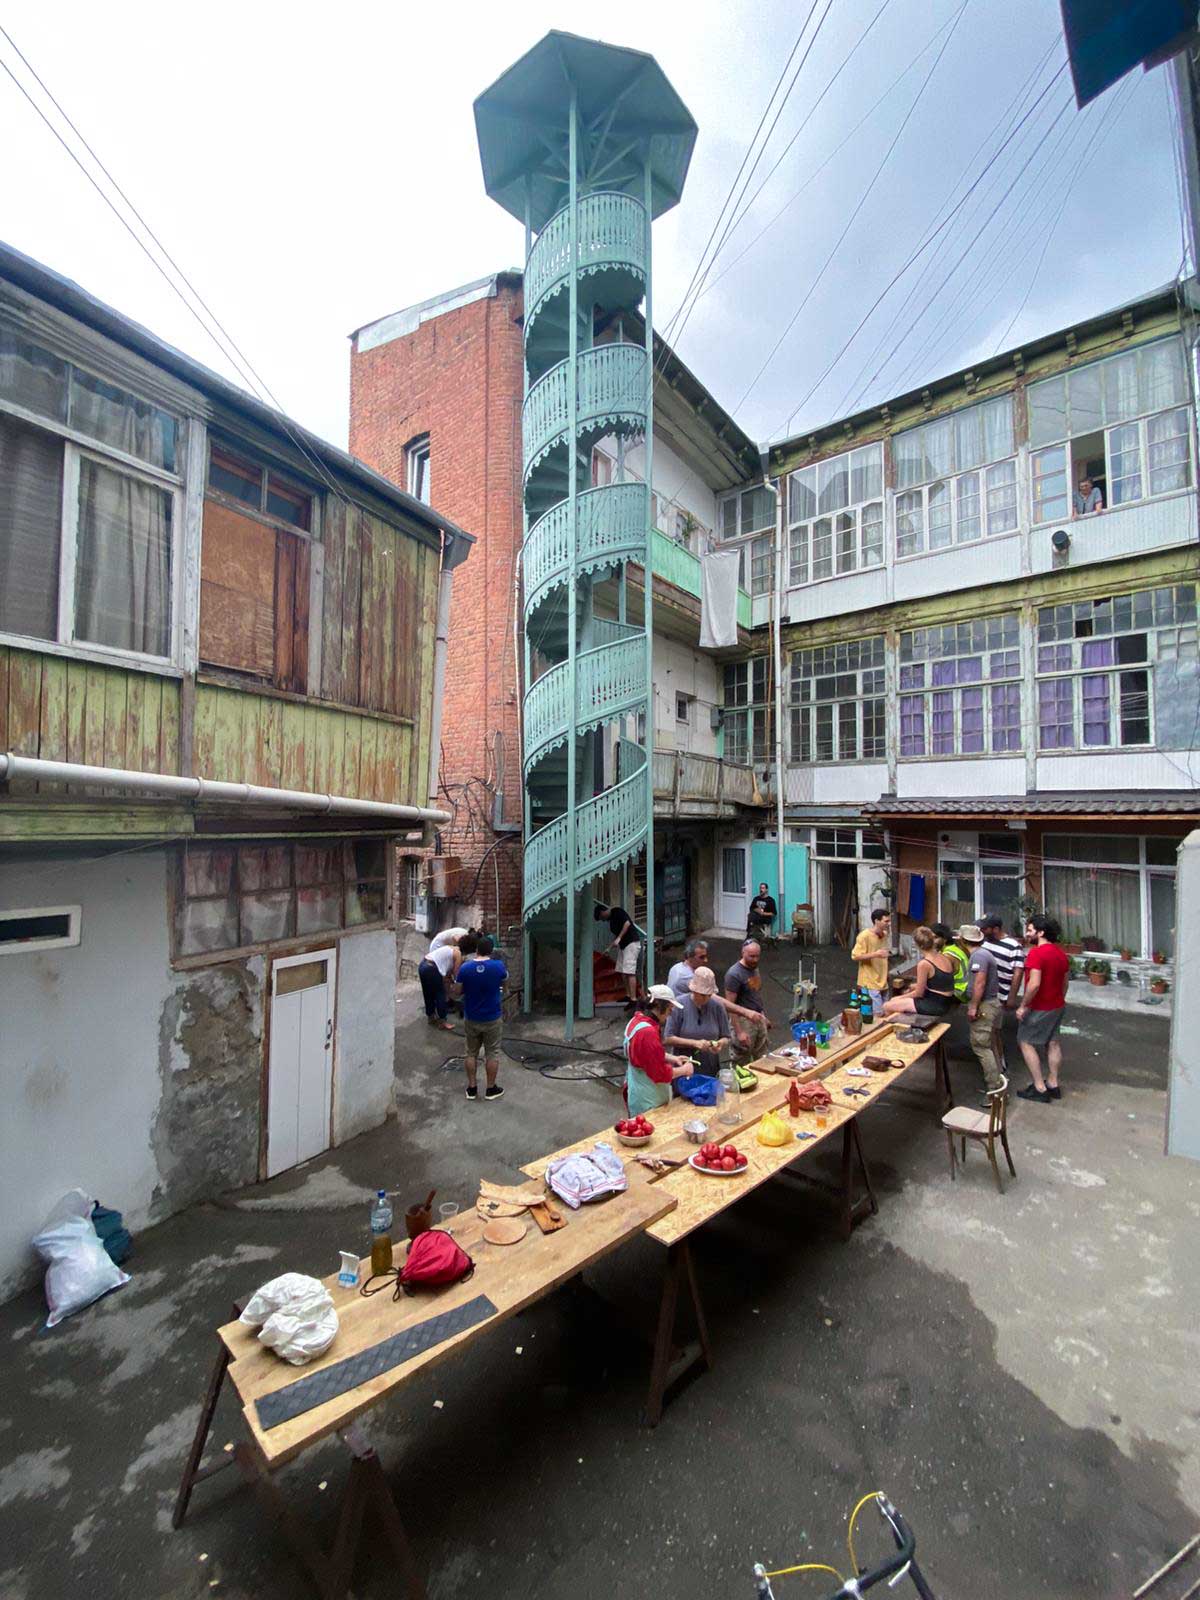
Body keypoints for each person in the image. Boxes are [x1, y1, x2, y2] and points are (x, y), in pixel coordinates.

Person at [1016, 914, 1070, 1103]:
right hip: (1057, 1005)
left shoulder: (1036, 954)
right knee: (1053, 1042)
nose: (1027, 933)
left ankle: (1039, 1087)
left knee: (1025, 1041)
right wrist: (1059, 999)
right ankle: (1053, 1083)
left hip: (1040, 1007)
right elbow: (1065, 983)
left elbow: (1034, 984)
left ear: (1041, 933)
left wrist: (1023, 1005)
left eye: (1030, 930)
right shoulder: (1061, 954)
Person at [623, 985, 695, 1116]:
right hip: (648, 1100)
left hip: (637, 1092)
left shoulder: (636, 1020)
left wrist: (672, 1058)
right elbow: (659, 1073)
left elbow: (645, 1054)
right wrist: (684, 1070)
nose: (669, 1014)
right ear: (659, 1005)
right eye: (669, 1009)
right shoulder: (648, 1033)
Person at [455, 934, 507, 1102]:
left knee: (471, 1053)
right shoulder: (498, 966)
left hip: (472, 1016)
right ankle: (490, 1089)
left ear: (477, 950)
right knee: (492, 1053)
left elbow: (458, 991)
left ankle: (472, 1088)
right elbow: (505, 984)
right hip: (492, 1016)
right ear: (491, 951)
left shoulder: (465, 968)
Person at [959, 925, 1004, 1100]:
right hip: (990, 1003)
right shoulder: (983, 954)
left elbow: (980, 983)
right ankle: (998, 1082)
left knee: (981, 1047)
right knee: (989, 1045)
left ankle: (994, 1091)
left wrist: (973, 1006)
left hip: (985, 1005)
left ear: (963, 941)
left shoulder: (979, 956)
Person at [663, 966, 731, 1076]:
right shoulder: (679, 1005)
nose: (706, 999)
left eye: (709, 995)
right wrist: (694, 1043)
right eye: (702, 995)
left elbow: (726, 1036)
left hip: (710, 1066)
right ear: (693, 990)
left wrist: (720, 1043)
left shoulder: (718, 1006)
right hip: (683, 1065)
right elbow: (668, 1038)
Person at [881, 925, 955, 1019]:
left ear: (918, 946)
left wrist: (898, 998)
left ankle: (895, 1027)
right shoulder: (944, 957)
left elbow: (919, 993)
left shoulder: (924, 964)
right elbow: (939, 982)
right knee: (899, 999)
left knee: (887, 1005)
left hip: (934, 1004)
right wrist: (912, 988)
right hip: (946, 1001)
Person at [723, 940, 771, 1060]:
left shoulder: (754, 968)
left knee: (762, 1058)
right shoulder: (734, 975)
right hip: (743, 1021)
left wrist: (763, 1016)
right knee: (741, 1059)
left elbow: (755, 994)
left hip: (757, 1017)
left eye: (757, 956)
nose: (755, 960)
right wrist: (739, 1032)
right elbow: (730, 1006)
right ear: (743, 953)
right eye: (751, 956)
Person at [595, 902, 641, 1005]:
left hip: (631, 943)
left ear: (602, 912)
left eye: (601, 918)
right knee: (622, 971)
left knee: (630, 972)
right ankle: (628, 995)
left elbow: (627, 923)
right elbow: (616, 937)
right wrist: (609, 948)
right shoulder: (611, 922)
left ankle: (633, 999)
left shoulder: (617, 911)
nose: (603, 920)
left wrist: (619, 938)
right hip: (623, 946)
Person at [979, 913, 1025, 1008]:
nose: (981, 930)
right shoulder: (984, 942)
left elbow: (1018, 974)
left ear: (996, 929)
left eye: (985, 928)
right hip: (985, 994)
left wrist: (1011, 997)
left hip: (1002, 997)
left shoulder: (1013, 946)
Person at [851, 908, 891, 1012]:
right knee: (878, 1013)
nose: (889, 924)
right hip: (870, 981)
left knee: (887, 1011)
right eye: (886, 921)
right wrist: (876, 954)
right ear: (877, 921)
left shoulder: (884, 935)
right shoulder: (864, 936)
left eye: (889, 921)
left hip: (883, 980)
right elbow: (855, 956)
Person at [417, 934, 460, 1031]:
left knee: (428, 993)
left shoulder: (449, 948)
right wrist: (455, 986)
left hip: (423, 965)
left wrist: (448, 979)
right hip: (432, 968)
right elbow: (456, 975)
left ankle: (431, 1017)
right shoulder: (458, 954)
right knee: (440, 994)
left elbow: (446, 970)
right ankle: (443, 1022)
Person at [936, 922, 969, 1003]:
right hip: (964, 990)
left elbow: (941, 980)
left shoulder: (947, 955)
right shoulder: (954, 949)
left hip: (958, 992)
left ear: (944, 939)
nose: (932, 941)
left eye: (935, 938)